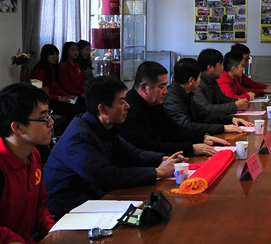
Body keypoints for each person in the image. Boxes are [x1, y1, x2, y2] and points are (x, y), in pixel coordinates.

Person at [43, 76, 182, 218]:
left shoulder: (102, 126)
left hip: (94, 195)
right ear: (103, 109)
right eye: (121, 102)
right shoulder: (80, 137)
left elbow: (133, 154)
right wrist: (158, 172)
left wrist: (163, 159)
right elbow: (107, 177)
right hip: (71, 208)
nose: (127, 106)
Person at [0, 84, 55, 244]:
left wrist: (55, 233)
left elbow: (39, 207)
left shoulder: (33, 154)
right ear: (17, 127)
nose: (51, 122)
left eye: (49, 115)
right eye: (43, 118)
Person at [118, 61, 228, 157]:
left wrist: (202, 137)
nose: (166, 91)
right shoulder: (129, 110)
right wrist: (190, 148)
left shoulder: (154, 102)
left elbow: (174, 130)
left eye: (166, 86)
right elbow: (147, 146)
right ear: (144, 88)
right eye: (161, 86)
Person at [163, 58, 248, 137]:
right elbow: (186, 126)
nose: (200, 80)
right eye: (199, 77)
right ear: (191, 80)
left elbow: (204, 114)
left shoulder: (186, 92)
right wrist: (223, 128)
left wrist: (231, 119)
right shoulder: (171, 99)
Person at [192, 49, 249, 122]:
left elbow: (222, 99)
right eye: (220, 64)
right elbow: (206, 109)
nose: (222, 68)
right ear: (210, 67)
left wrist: (239, 102)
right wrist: (235, 106)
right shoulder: (197, 84)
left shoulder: (212, 80)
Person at [29, 44, 81, 122]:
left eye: (56, 54)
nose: (55, 57)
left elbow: (56, 87)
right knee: (73, 109)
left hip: (55, 97)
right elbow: (39, 92)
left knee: (80, 103)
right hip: (47, 101)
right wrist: (58, 98)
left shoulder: (53, 69)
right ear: (45, 56)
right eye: (52, 55)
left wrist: (67, 95)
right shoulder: (40, 71)